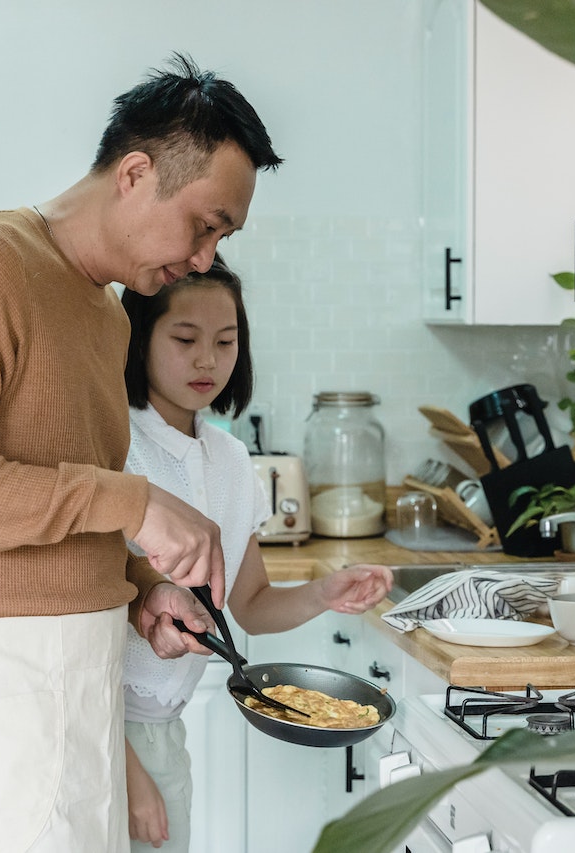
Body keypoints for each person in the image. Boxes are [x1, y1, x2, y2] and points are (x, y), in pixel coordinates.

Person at [0, 54, 282, 853]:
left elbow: (57, 510)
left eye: (222, 236)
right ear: (136, 173)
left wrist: (140, 590)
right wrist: (135, 504)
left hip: (75, 716)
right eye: (204, 225)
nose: (204, 259)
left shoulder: (107, 320)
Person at [118, 257, 394, 851]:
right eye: (185, 339)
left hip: (164, 734)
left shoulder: (231, 459)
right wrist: (130, 774)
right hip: (102, 735)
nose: (207, 361)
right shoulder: (117, 447)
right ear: (140, 339)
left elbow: (250, 605)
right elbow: (83, 623)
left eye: (226, 342)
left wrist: (325, 592)